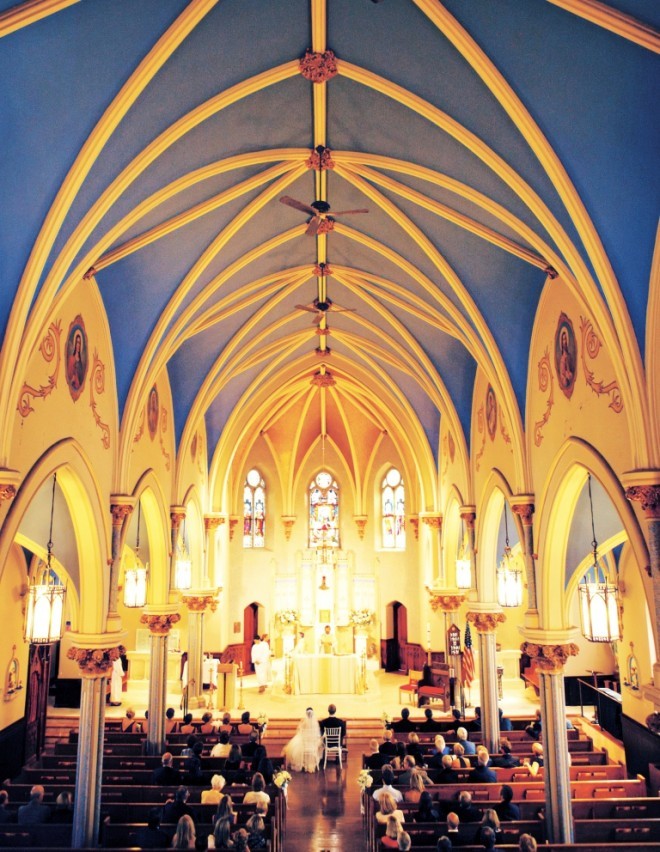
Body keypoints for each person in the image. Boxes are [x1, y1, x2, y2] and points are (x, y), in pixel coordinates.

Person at [282, 707, 322, 772]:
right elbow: (317, 736)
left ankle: (303, 764)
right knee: (320, 745)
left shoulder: (304, 723)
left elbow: (300, 732)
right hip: (312, 746)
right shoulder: (315, 724)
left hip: (305, 745)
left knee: (296, 744)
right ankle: (313, 763)